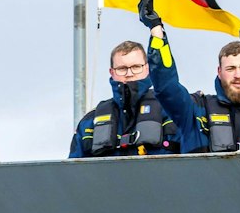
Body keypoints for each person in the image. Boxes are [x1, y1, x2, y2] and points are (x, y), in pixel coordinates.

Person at [70, 18, 205, 157]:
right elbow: (73, 168)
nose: (129, 74)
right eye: (122, 68)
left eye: (136, 67)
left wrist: (157, 31)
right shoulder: (89, 122)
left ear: (147, 68)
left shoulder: (172, 110)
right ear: (112, 72)